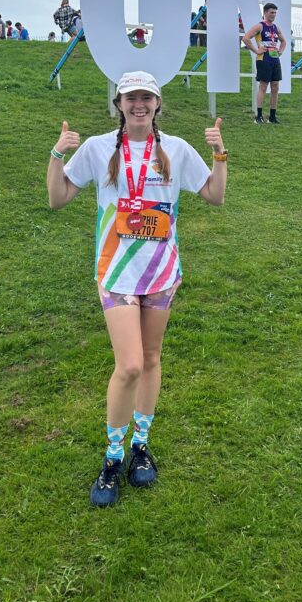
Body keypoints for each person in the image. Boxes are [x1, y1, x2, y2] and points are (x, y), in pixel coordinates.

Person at [47, 70, 227, 507]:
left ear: (158, 103)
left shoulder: (177, 149)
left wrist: (220, 155)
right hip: (116, 273)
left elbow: (214, 196)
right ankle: (112, 457)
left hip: (161, 271)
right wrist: (56, 153)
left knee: (150, 359)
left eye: (146, 97)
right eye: (130, 98)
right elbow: (58, 198)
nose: (138, 104)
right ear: (120, 105)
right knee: (128, 365)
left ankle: (140, 447)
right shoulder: (97, 148)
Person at [241, 2, 287, 124]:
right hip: (263, 59)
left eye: (275, 13)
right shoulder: (259, 26)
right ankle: (259, 116)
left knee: (275, 86)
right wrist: (256, 50)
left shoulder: (276, 28)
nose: (274, 15)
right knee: (263, 86)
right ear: (265, 12)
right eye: (271, 12)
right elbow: (245, 38)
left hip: (274, 59)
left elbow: (283, 42)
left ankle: (272, 116)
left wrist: (280, 52)